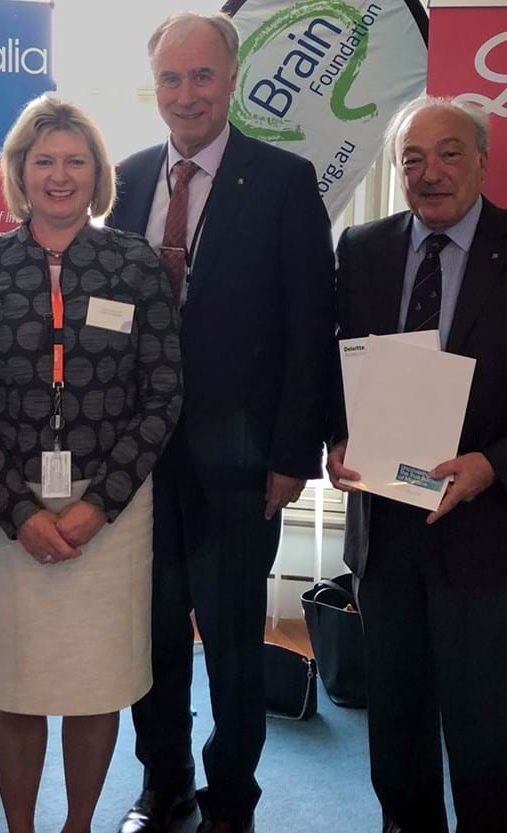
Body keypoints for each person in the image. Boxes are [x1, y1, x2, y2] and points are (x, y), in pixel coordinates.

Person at [109, 12, 334, 833]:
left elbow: (311, 326)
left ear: (232, 79)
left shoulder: (281, 179)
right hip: (139, 459)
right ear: (155, 86)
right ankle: (161, 785)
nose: (186, 94)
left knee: (233, 642)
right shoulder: (127, 179)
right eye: (170, 78)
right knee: (153, 635)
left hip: (244, 457)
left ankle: (229, 801)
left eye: (201, 76)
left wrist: (291, 453)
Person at [0, 93, 183, 833]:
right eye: (42, 160)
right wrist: (20, 511)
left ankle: (78, 825)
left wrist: (95, 505)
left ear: (96, 173)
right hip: (9, 508)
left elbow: (163, 392)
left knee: (94, 683)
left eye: (75, 160)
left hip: (109, 512)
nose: (59, 174)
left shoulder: (134, 264)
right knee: (14, 685)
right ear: (19, 171)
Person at [328, 96, 507, 833]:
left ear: (483, 160)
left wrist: (490, 465)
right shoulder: (362, 247)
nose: (429, 173)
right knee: (393, 716)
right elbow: (335, 363)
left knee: (483, 724)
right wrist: (335, 438)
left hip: (484, 528)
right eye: (411, 158)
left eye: (448, 154)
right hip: (385, 527)